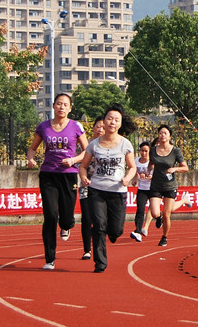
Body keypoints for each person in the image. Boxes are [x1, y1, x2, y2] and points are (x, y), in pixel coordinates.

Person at [27, 93, 88, 270]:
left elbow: (87, 151)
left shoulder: (76, 126)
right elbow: (32, 148)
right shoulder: (44, 127)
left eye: (65, 104)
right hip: (48, 174)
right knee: (50, 215)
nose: (62, 107)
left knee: (66, 218)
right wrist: (30, 159)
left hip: (68, 174)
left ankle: (66, 226)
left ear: (70, 108)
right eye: (59, 104)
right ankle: (50, 258)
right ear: (53, 106)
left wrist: (73, 160)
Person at [79, 103, 137, 273]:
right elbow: (83, 166)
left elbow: (132, 167)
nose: (112, 122)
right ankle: (100, 262)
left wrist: (127, 178)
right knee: (98, 225)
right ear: (103, 121)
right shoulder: (94, 145)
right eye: (109, 118)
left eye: (116, 120)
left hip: (118, 191)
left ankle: (113, 234)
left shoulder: (125, 144)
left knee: (116, 230)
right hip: (97, 190)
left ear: (120, 123)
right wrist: (83, 177)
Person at [145, 125, 189, 247]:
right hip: (156, 185)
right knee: (155, 213)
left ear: (170, 136)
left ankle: (164, 237)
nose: (162, 135)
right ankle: (158, 218)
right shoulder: (153, 150)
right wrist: (149, 171)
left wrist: (175, 169)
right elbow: (151, 163)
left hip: (170, 186)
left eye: (165, 133)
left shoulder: (175, 151)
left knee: (166, 214)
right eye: (160, 133)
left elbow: (185, 168)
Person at [78, 116, 104, 260]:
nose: (100, 129)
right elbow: (79, 163)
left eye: (103, 127)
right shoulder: (86, 145)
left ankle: (99, 247)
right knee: (87, 218)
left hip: (103, 187)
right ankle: (87, 249)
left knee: (100, 219)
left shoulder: (109, 146)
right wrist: (84, 177)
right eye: (98, 126)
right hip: (86, 186)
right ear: (93, 128)